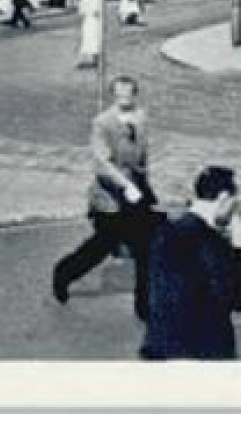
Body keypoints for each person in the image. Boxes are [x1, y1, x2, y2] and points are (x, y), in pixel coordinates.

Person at [53, 76, 157, 317]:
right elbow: (103, 164)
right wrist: (125, 186)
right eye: (120, 95)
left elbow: (142, 160)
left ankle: (144, 306)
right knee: (100, 247)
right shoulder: (102, 123)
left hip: (137, 198)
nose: (125, 99)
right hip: (110, 200)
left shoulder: (142, 119)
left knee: (146, 250)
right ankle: (64, 273)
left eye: (129, 94)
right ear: (113, 96)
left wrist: (144, 189)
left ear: (135, 95)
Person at [140, 165, 241, 361]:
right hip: (203, 351)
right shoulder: (212, 244)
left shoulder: (163, 232)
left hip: (159, 347)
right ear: (224, 199)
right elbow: (238, 299)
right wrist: (239, 244)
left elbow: (143, 301)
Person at [77, 0, 103, 69]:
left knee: (96, 40)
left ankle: (96, 60)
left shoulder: (98, 0)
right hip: (90, 22)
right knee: (89, 40)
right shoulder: (86, 0)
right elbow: (82, 13)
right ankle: (89, 60)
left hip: (95, 22)